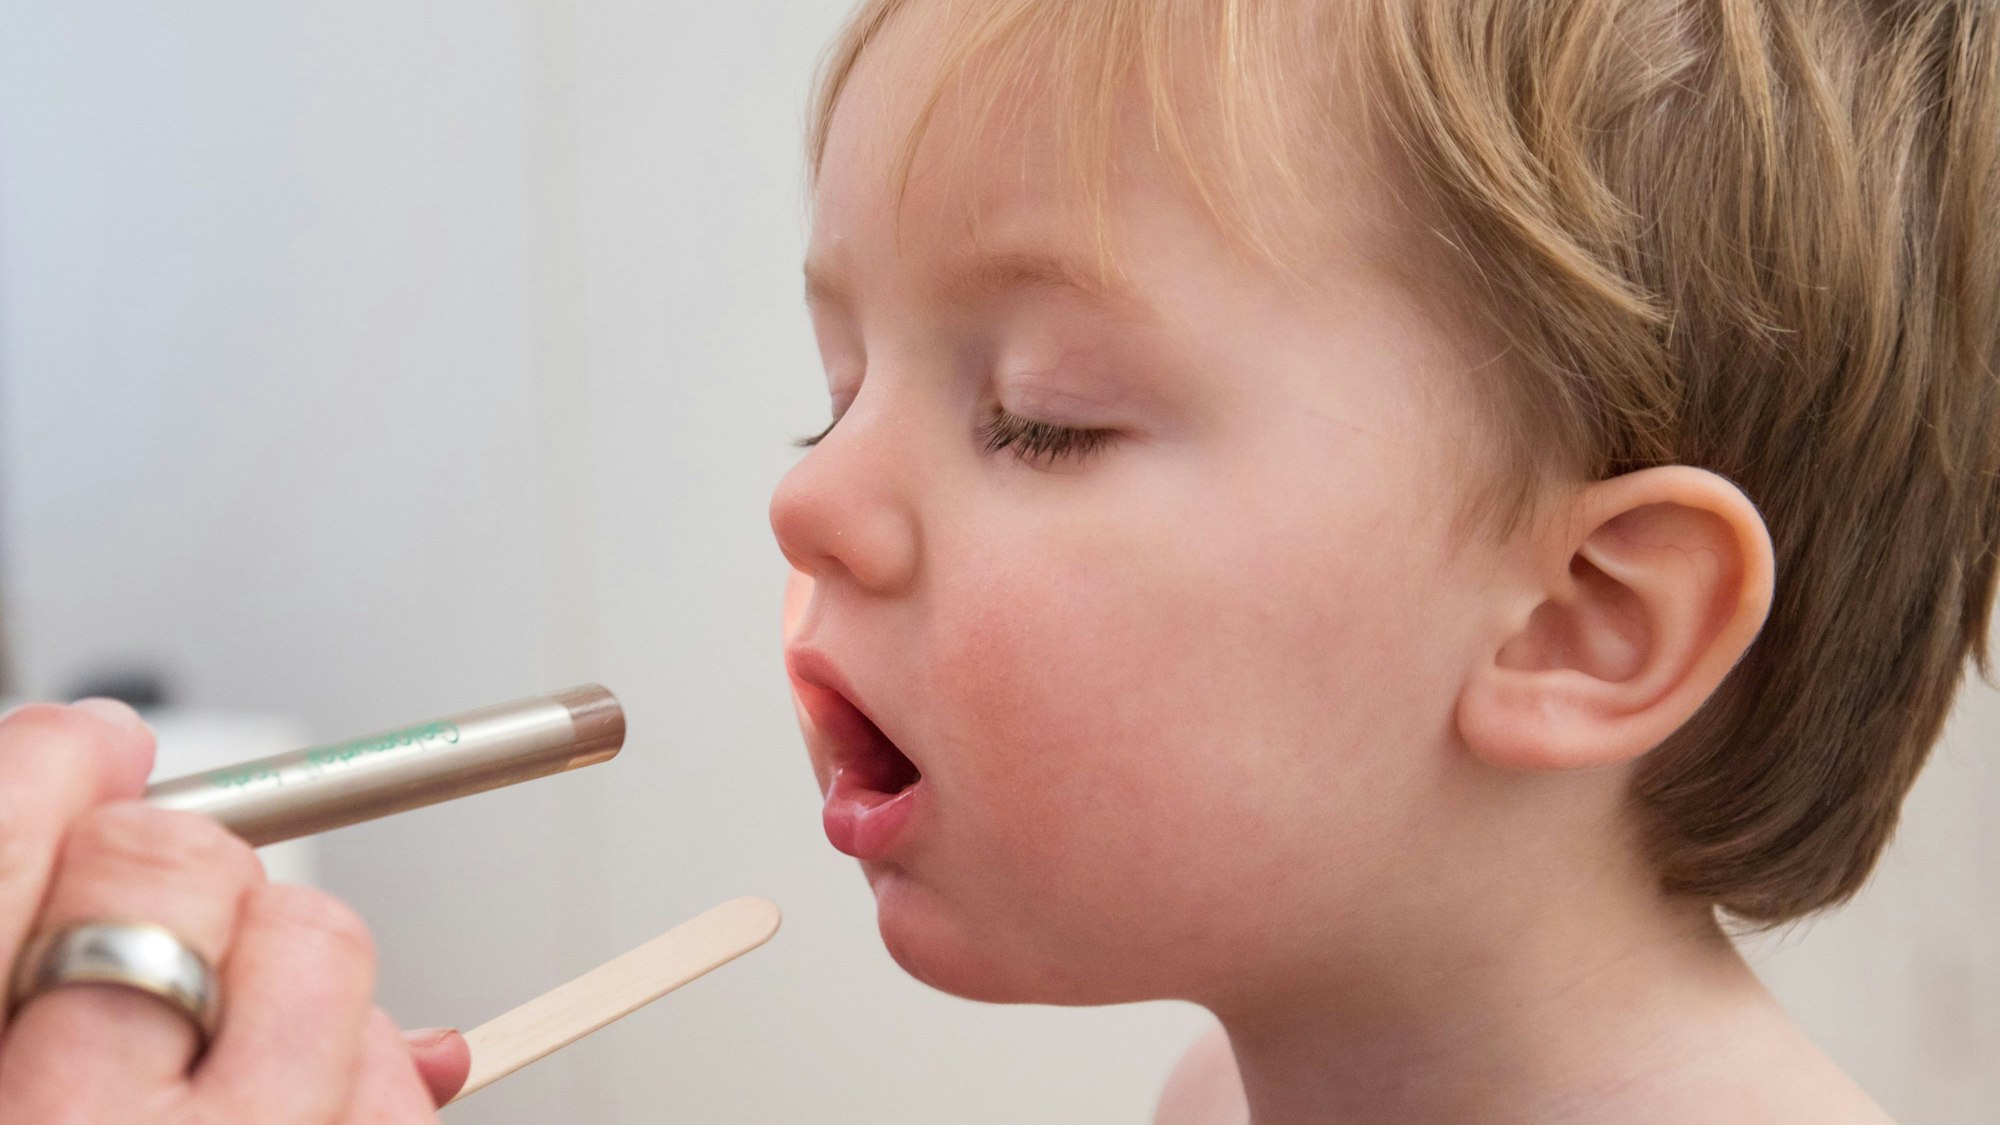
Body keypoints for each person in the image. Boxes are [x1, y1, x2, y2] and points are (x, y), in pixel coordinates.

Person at [1, 1, 1992, 1121]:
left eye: (1035, 409)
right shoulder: (1226, 1092)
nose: (808, 501)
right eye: (832, 386)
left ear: (1579, 617)